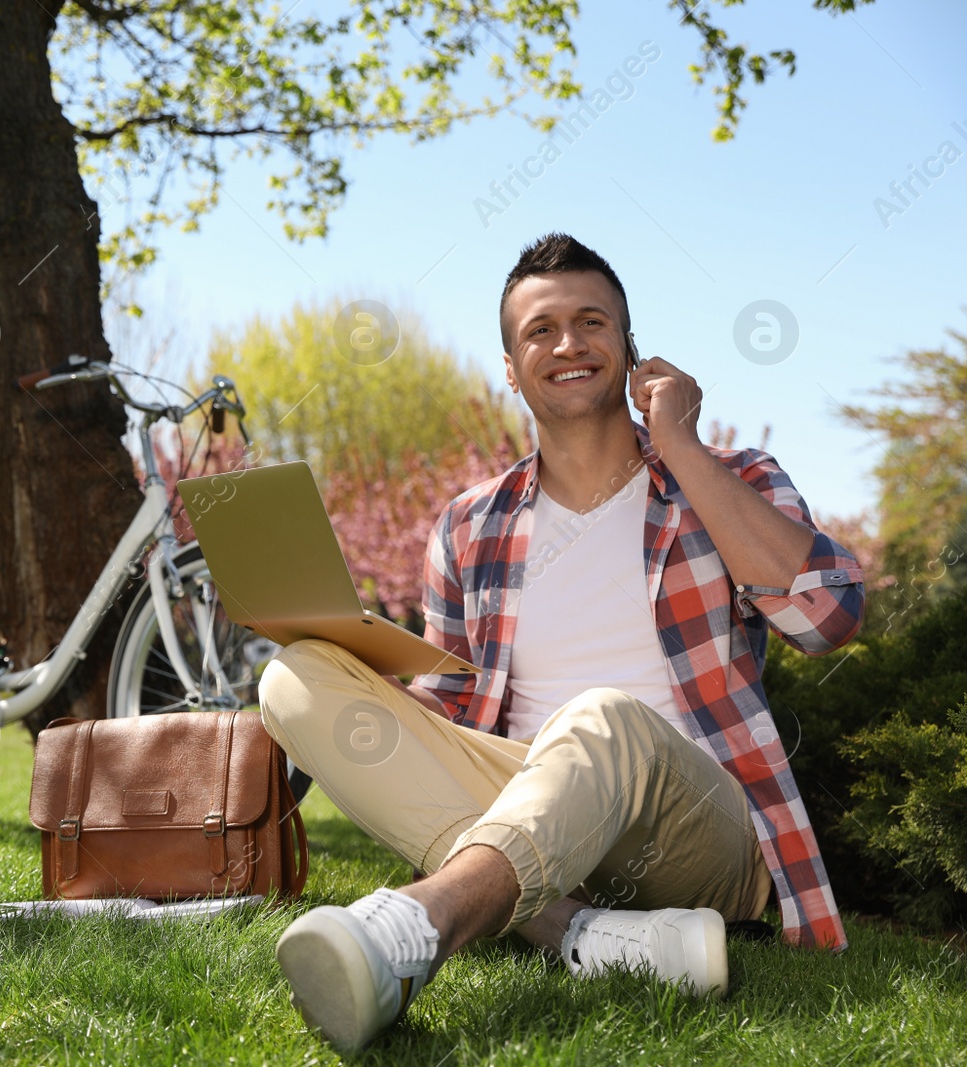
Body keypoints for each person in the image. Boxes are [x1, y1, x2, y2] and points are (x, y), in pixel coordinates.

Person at [259, 233, 865, 1052]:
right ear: (511, 367)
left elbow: (826, 618)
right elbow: (450, 706)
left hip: (697, 829)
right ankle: (586, 935)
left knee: (602, 717)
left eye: (592, 322)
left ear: (630, 349)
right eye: (540, 330)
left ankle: (414, 930)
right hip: (542, 814)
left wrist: (680, 445)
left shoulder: (731, 476)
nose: (569, 343)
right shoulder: (472, 523)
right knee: (293, 676)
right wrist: (362, 675)